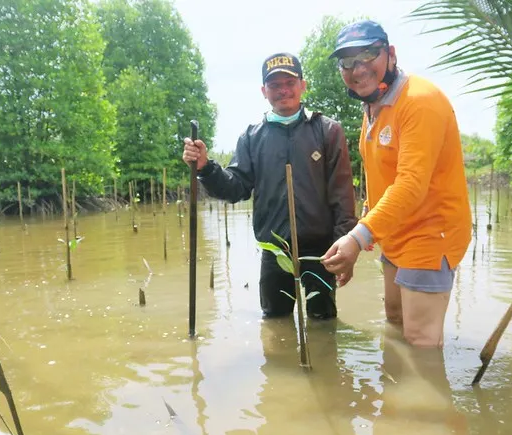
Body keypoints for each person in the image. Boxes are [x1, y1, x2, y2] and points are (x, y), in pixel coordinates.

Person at [320, 21, 472, 347]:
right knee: (394, 318)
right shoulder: (372, 107)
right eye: (347, 61)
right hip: (394, 228)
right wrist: (364, 230)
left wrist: (356, 240)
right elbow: (380, 177)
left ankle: (427, 398)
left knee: (420, 340)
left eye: (367, 55)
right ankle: (394, 396)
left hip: (430, 231)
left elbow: (411, 184)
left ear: (390, 54)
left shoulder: (418, 101)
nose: (357, 69)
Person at [182, 52, 357, 320]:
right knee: (275, 323)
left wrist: (344, 246)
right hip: (274, 251)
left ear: (302, 85)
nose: (283, 90)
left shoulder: (328, 131)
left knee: (324, 325)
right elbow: (235, 188)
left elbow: (343, 197)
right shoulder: (252, 136)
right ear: (264, 91)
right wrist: (206, 167)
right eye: (275, 85)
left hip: (321, 252)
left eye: (289, 82)